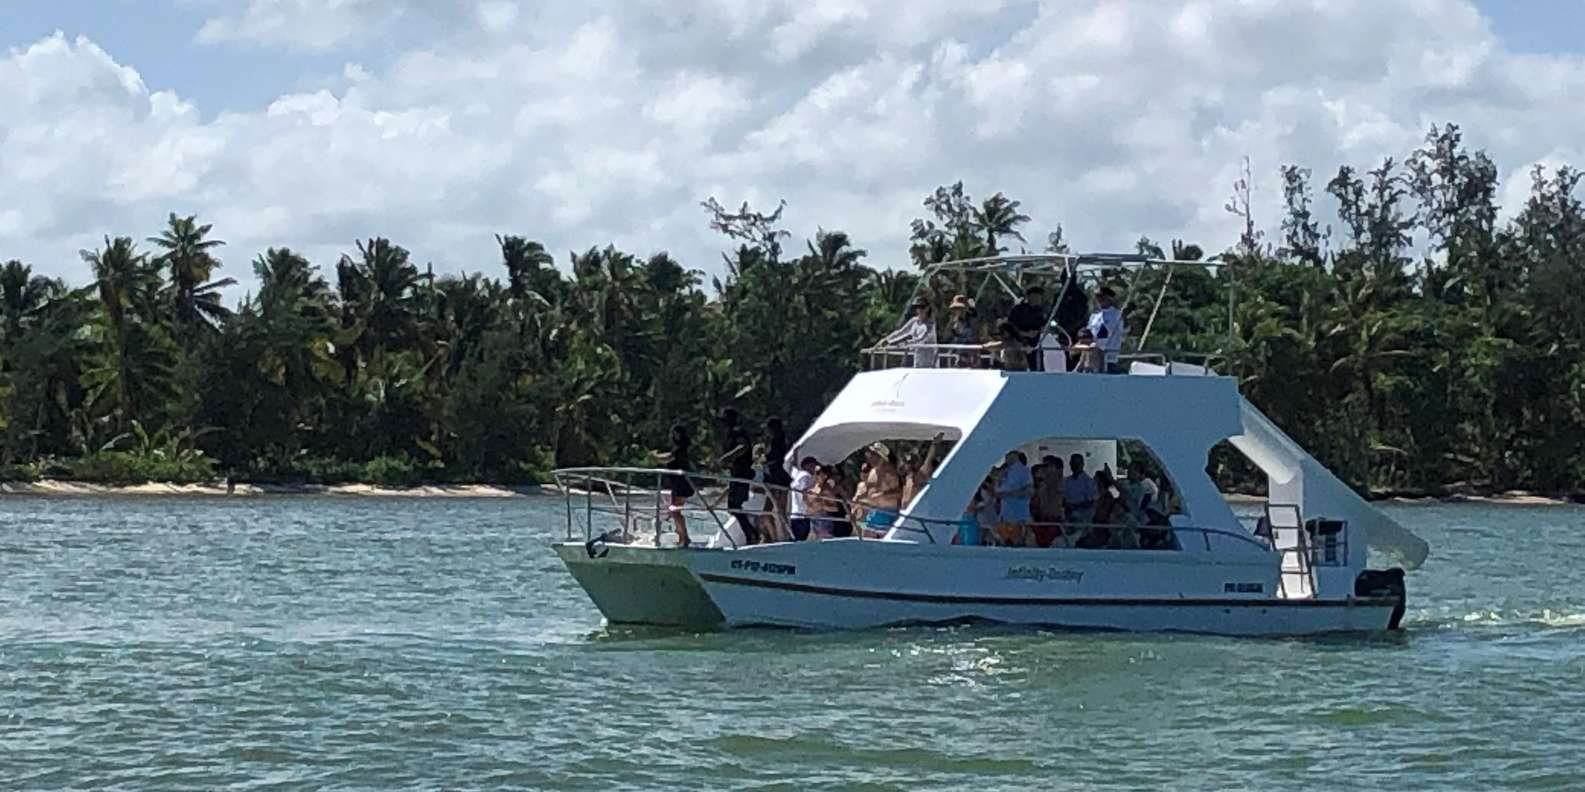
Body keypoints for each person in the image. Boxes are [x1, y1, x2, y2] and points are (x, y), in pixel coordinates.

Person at [718, 408, 758, 544]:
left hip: (742, 473)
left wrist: (727, 457)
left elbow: (743, 447)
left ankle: (752, 534)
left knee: (735, 505)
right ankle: (750, 534)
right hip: (735, 473)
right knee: (733, 507)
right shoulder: (730, 433)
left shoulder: (738, 432)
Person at [653, 424, 696, 548]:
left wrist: (654, 456)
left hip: (682, 485)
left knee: (675, 511)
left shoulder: (680, 449)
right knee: (674, 510)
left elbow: (667, 458)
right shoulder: (678, 448)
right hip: (676, 484)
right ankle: (682, 536)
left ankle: (684, 538)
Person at [854, 442, 903, 536]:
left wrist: (882, 495)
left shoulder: (890, 473)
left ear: (880, 457)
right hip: (873, 511)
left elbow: (899, 493)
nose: (869, 457)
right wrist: (859, 499)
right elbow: (869, 490)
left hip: (887, 513)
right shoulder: (872, 472)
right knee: (864, 533)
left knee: (884, 540)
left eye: (873, 455)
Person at [883, 297, 937, 368]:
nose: (919, 310)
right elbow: (900, 332)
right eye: (917, 307)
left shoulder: (930, 324)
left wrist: (908, 342)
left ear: (927, 308)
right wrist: (887, 340)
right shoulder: (914, 321)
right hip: (918, 358)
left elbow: (923, 338)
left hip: (931, 361)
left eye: (922, 307)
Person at [995, 450, 1034, 546]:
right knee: (1004, 543)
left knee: (1017, 543)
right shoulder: (1005, 471)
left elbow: (1029, 491)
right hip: (1004, 515)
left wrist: (1009, 494)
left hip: (1018, 515)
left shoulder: (1024, 471)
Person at [1086, 286, 1127, 373]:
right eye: (1097, 297)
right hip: (1092, 358)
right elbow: (1087, 334)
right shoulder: (1094, 316)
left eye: (1102, 297)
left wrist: (1092, 344)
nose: (1099, 299)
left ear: (1109, 298)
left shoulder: (1117, 315)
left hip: (1109, 359)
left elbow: (1104, 337)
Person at [1008, 286, 1048, 370]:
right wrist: (1024, 334)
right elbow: (1010, 326)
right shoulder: (1018, 310)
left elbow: (1045, 326)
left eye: (1039, 297)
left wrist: (1039, 332)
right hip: (1019, 343)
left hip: (1036, 345)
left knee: (1038, 367)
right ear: (1029, 297)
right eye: (1035, 296)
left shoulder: (1042, 312)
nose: (1037, 299)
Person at [1031, 455, 1066, 547]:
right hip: (1042, 523)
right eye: (1044, 466)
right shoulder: (1041, 487)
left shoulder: (1065, 485)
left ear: (1058, 470)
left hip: (1057, 523)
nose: (1045, 470)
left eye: (1048, 466)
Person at [763, 417, 792, 523]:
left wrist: (764, 459)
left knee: (779, 508)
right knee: (776, 508)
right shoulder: (777, 440)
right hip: (774, 476)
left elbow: (774, 457)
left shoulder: (778, 441)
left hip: (777, 476)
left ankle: (784, 528)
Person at [788, 455, 819, 541]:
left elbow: (793, 466)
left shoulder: (797, 475)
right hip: (803, 514)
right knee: (802, 538)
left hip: (795, 513)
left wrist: (795, 453)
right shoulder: (806, 476)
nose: (813, 469)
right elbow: (804, 492)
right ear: (806, 466)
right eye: (812, 466)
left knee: (798, 538)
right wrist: (810, 506)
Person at [1063, 453, 1098, 526]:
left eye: (1078, 463)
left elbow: (1092, 501)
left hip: (1084, 520)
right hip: (1068, 520)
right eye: (1073, 463)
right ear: (1070, 464)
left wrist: (1075, 506)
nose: (1075, 466)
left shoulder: (1089, 482)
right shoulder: (1066, 481)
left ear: (1083, 464)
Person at [945, 295, 980, 366]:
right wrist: (951, 325)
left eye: (960, 308)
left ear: (966, 308)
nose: (957, 311)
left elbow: (975, 336)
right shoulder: (952, 322)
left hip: (971, 358)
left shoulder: (973, 320)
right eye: (955, 308)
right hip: (955, 356)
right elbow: (946, 337)